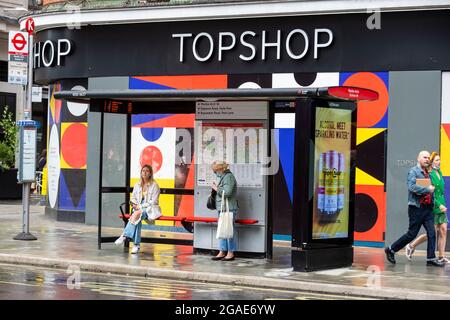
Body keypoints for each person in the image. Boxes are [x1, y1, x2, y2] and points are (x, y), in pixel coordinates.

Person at [385, 151, 445, 267]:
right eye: (424, 157)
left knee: (432, 233)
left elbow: (433, 189)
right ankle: (391, 249)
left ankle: (431, 258)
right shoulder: (413, 171)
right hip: (416, 208)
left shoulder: (428, 172)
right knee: (411, 234)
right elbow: (412, 187)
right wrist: (427, 189)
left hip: (428, 208)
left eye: (428, 158)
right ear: (418, 158)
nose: (427, 159)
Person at [405, 152, 448, 263]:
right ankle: (411, 246)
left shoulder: (439, 172)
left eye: (439, 160)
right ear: (432, 162)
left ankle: (441, 256)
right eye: (436, 160)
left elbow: (440, 191)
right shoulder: (429, 173)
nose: (439, 162)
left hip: (441, 203)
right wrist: (438, 204)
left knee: (443, 230)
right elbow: (428, 191)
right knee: (432, 232)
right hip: (435, 204)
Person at [114, 165, 160, 254]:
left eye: (147, 171)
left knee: (137, 214)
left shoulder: (155, 185)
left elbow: (153, 201)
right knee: (137, 219)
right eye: (143, 170)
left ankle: (124, 235)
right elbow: (133, 197)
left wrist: (141, 207)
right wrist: (135, 205)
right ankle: (136, 245)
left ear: (150, 173)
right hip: (138, 208)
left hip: (149, 209)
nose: (145, 172)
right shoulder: (137, 184)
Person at [210, 160, 238, 261]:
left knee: (229, 230)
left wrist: (216, 188)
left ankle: (230, 252)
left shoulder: (229, 177)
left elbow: (227, 193)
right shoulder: (223, 177)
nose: (215, 173)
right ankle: (222, 251)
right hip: (223, 208)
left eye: (215, 170)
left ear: (221, 169)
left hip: (229, 208)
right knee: (222, 229)